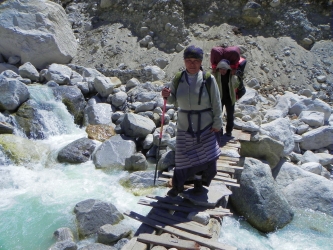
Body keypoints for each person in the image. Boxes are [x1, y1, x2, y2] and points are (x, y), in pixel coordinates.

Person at [161, 45, 223, 197]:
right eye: (188, 60)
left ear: (201, 62)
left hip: (206, 125)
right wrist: (166, 95)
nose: (192, 64)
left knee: (208, 158)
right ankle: (177, 186)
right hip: (184, 125)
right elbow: (173, 101)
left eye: (196, 60)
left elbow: (216, 102)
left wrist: (218, 122)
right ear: (184, 61)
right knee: (182, 159)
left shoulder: (209, 79)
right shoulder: (178, 78)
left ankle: (199, 183)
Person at [213, 59, 240, 137]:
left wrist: (235, 76)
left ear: (228, 69)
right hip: (219, 98)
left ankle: (229, 131)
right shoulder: (216, 74)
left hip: (230, 98)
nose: (222, 71)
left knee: (230, 115)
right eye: (221, 69)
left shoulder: (231, 75)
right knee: (218, 115)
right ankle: (219, 130)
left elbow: (236, 85)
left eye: (224, 69)